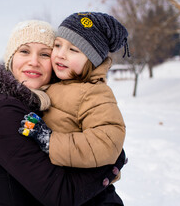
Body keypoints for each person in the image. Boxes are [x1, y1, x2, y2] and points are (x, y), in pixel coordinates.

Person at [0, 20, 127, 206]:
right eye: (24, 51)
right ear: (10, 59)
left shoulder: (39, 102)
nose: (34, 62)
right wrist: (113, 164)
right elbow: (61, 195)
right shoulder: (2, 110)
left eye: (45, 54)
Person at [18, 12, 128, 169]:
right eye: (57, 45)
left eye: (73, 50)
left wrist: (50, 141)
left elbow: (107, 143)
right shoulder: (56, 82)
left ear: (92, 60)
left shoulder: (95, 93)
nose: (60, 54)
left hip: (85, 190)